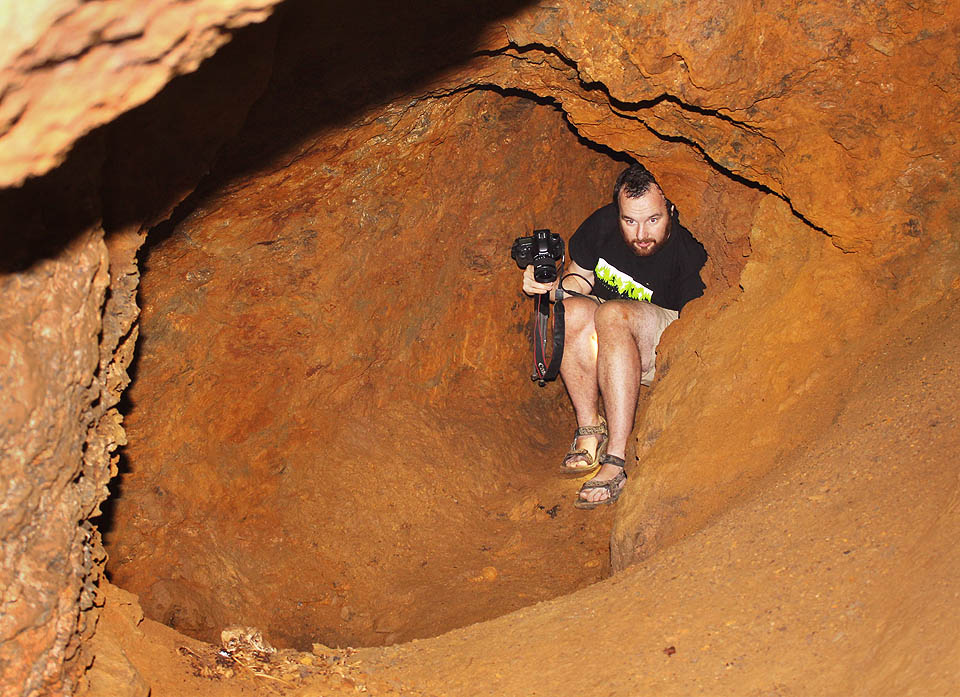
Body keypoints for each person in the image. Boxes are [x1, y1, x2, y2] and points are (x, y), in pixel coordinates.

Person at [521, 163, 707, 509]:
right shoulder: (602, 224)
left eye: (653, 219)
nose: (641, 233)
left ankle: (616, 460)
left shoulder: (687, 247)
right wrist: (548, 288)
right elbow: (579, 280)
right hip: (612, 332)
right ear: (617, 212)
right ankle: (590, 430)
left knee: (611, 313)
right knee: (573, 309)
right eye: (629, 221)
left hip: (661, 339)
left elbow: (696, 325)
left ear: (670, 208)